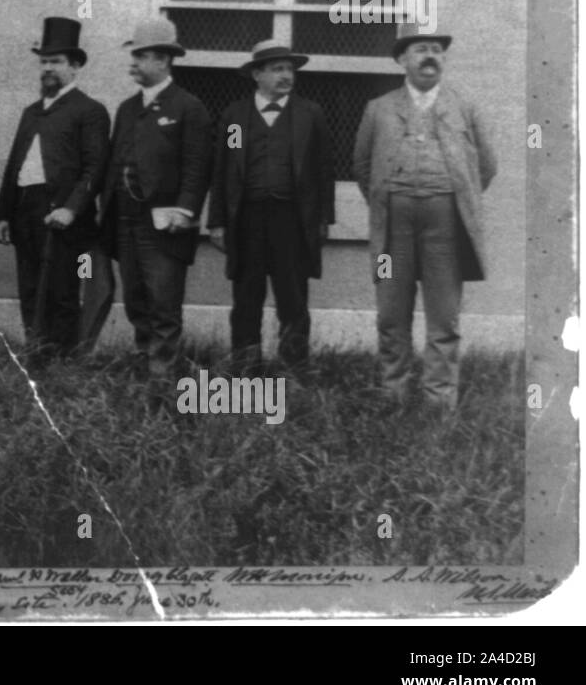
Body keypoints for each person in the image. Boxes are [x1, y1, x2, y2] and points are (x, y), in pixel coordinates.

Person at [353, 23, 496, 411]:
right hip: (390, 231)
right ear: (402, 59)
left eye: (436, 49)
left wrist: (449, 197)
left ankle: (439, 400)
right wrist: (391, 201)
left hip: (445, 226)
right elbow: (362, 167)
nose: (429, 55)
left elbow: (486, 164)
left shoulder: (464, 106)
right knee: (389, 312)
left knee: (444, 316)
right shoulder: (378, 108)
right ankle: (393, 392)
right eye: (420, 49)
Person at [207, 39, 335, 376]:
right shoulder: (235, 117)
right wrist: (217, 221)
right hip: (246, 220)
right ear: (257, 74)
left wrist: (323, 220)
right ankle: (245, 368)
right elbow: (223, 169)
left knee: (293, 299)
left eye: (289, 69)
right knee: (246, 298)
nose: (286, 76)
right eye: (277, 69)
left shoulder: (311, 115)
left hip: (291, 221)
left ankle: (295, 368)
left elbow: (325, 172)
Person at [98, 17, 212, 380]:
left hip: (163, 223)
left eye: (141, 56)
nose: (133, 63)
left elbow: (198, 166)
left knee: (163, 301)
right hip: (125, 220)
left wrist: (185, 209)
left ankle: (162, 379)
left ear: (163, 60)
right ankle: (143, 363)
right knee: (135, 298)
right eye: (133, 56)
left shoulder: (188, 107)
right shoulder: (127, 109)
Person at [0, 17, 110, 358]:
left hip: (62, 213)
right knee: (30, 286)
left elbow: (95, 167)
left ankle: (64, 360)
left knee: (62, 289)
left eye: (56, 62)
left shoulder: (89, 110)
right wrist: (3, 214)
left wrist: (71, 208)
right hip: (26, 209)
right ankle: (37, 353)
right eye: (43, 61)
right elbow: (15, 164)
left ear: (74, 67)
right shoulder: (31, 112)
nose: (48, 68)